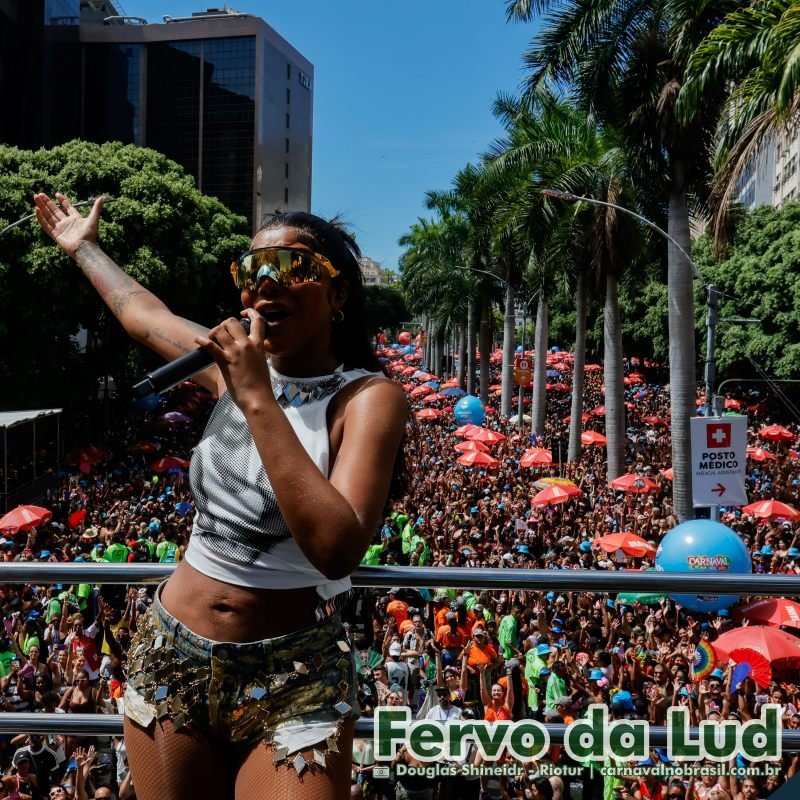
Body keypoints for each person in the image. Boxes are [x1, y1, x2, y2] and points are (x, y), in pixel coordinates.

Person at [34, 192, 409, 800]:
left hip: (296, 675)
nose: (266, 283)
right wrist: (85, 248)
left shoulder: (367, 398)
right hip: (171, 656)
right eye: (251, 269)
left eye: (293, 266)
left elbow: (336, 549)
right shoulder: (229, 369)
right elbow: (141, 313)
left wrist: (256, 392)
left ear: (339, 295)